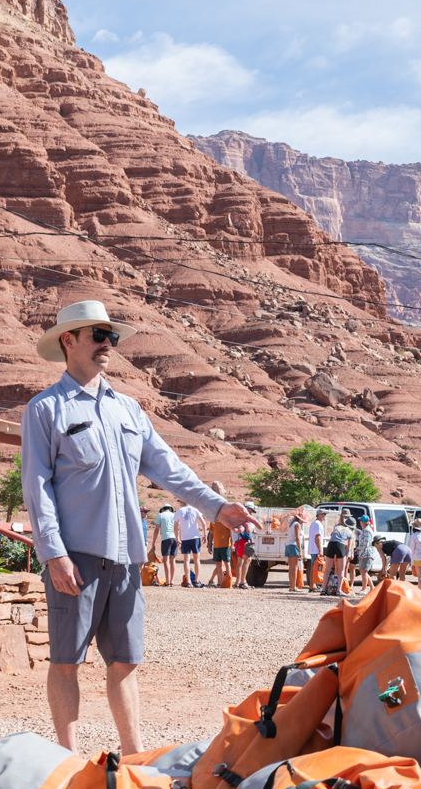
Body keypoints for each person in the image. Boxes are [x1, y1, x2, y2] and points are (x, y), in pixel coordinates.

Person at [24, 299, 253, 756]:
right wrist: (54, 553)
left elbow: (169, 468)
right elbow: (37, 485)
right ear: (68, 340)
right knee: (66, 660)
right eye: (98, 335)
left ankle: (133, 758)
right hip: (77, 556)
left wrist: (216, 506)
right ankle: (68, 762)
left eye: (112, 337)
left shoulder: (129, 410)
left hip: (127, 557)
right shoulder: (45, 409)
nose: (109, 344)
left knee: (125, 662)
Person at [174, 499, 206, 587]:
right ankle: (197, 581)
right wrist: (205, 535)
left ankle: (188, 582)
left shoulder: (178, 512)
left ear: (181, 501)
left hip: (185, 538)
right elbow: (203, 523)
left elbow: (175, 528)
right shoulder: (195, 510)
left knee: (186, 560)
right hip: (195, 537)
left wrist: (178, 539)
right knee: (196, 560)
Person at [206, 484, 233, 587]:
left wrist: (232, 545)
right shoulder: (213, 520)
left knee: (227, 563)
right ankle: (220, 582)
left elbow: (231, 532)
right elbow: (211, 533)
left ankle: (228, 582)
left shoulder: (227, 518)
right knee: (218, 564)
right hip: (216, 545)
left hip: (226, 544)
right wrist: (209, 545)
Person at [153, 504, 178, 586]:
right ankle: (171, 581)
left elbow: (156, 529)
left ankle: (167, 582)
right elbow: (177, 528)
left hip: (166, 538)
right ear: (170, 509)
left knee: (166, 560)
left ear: (162, 509)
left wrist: (153, 542)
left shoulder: (160, 515)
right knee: (173, 560)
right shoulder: (174, 515)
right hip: (174, 538)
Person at [285, 510, 306, 590]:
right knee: (295, 568)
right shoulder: (297, 525)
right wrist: (300, 551)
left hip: (288, 545)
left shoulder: (291, 524)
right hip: (294, 546)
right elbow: (297, 538)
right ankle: (293, 587)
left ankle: (291, 586)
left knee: (291, 568)